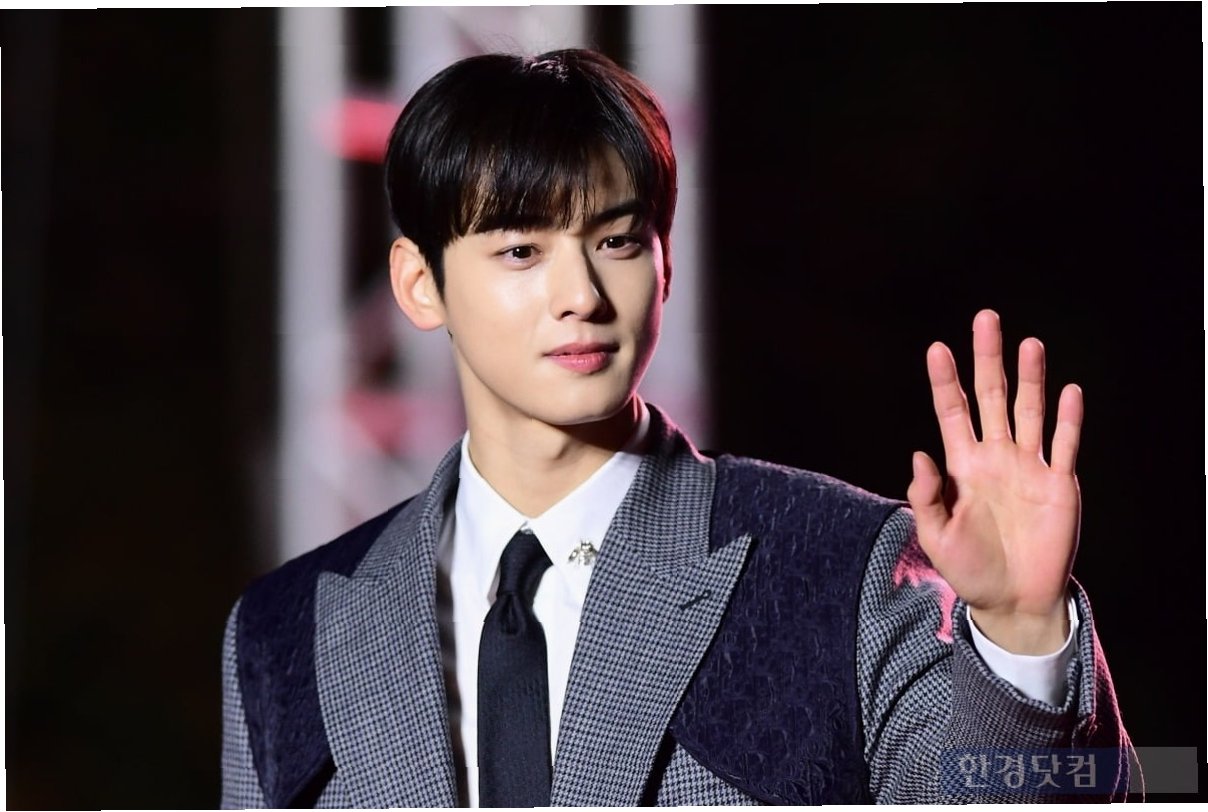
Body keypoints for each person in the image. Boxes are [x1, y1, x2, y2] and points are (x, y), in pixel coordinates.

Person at [220, 48, 1137, 807]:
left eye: (616, 240)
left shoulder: (841, 566)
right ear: (420, 284)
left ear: (664, 265)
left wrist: (1022, 637)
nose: (581, 295)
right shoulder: (281, 634)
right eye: (521, 250)